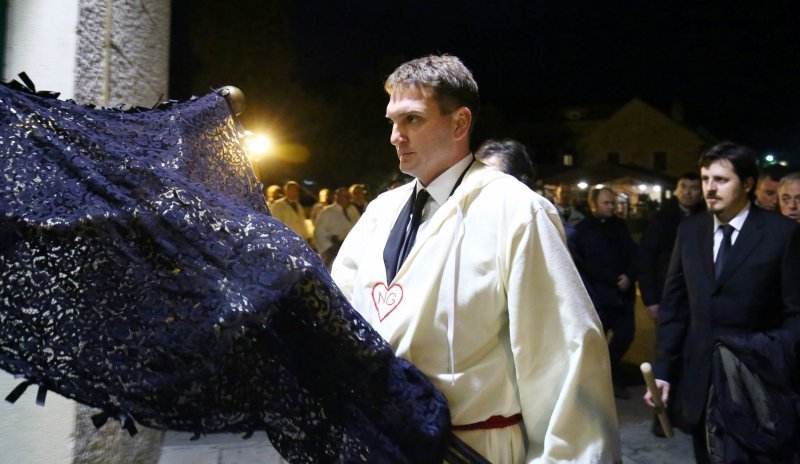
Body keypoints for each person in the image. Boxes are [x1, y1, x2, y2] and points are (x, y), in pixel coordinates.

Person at [332, 54, 620, 463]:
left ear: (459, 123)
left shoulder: (517, 211)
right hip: (385, 444)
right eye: (392, 122)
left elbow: (563, 355)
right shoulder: (381, 211)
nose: (395, 136)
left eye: (412, 119)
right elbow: (340, 316)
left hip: (473, 448)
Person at [644, 141, 800, 463]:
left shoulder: (781, 234)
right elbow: (675, 308)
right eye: (705, 179)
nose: (710, 189)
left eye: (721, 180)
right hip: (700, 381)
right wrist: (663, 372)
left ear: (747, 183)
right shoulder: (690, 230)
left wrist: (772, 355)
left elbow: (795, 313)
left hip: (757, 381)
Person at [568, 187, 638, 399]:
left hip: (622, 295)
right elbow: (583, 264)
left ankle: (611, 372)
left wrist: (629, 275)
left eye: (613, 203)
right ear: (593, 205)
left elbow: (634, 253)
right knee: (595, 341)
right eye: (607, 203)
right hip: (599, 296)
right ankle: (595, 381)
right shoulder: (582, 230)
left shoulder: (621, 226)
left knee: (625, 335)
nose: (612, 207)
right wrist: (610, 279)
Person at [638, 172, 705, 320]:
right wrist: (651, 300)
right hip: (667, 294)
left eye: (694, 188)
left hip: (699, 297)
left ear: (701, 192)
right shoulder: (660, 219)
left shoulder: (708, 219)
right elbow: (646, 259)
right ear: (676, 190)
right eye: (683, 187)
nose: (687, 192)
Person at [313, 187, 360, 269]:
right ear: (337, 197)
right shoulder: (327, 212)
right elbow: (319, 233)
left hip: (352, 251)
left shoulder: (352, 211)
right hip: (334, 252)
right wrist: (330, 248)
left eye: (349, 196)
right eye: (345, 196)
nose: (348, 199)